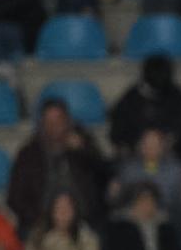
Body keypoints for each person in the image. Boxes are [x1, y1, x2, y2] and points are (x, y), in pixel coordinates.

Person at [7, 98, 108, 237]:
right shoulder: (28, 155)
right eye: (49, 121)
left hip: (83, 222)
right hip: (40, 223)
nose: (54, 126)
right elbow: (15, 198)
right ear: (41, 124)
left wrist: (84, 151)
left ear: (68, 122)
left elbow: (105, 176)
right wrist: (41, 220)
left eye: (58, 120)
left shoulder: (83, 147)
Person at [110, 126, 181, 225]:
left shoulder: (177, 169)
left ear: (163, 145)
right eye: (146, 143)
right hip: (133, 220)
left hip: (166, 221)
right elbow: (117, 202)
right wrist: (113, 195)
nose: (150, 148)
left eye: (155, 144)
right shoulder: (128, 168)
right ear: (139, 145)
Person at [110, 55, 181, 155]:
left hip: (171, 156)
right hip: (135, 155)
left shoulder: (177, 97)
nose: (159, 78)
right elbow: (117, 131)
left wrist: (166, 142)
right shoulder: (131, 97)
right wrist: (137, 145)